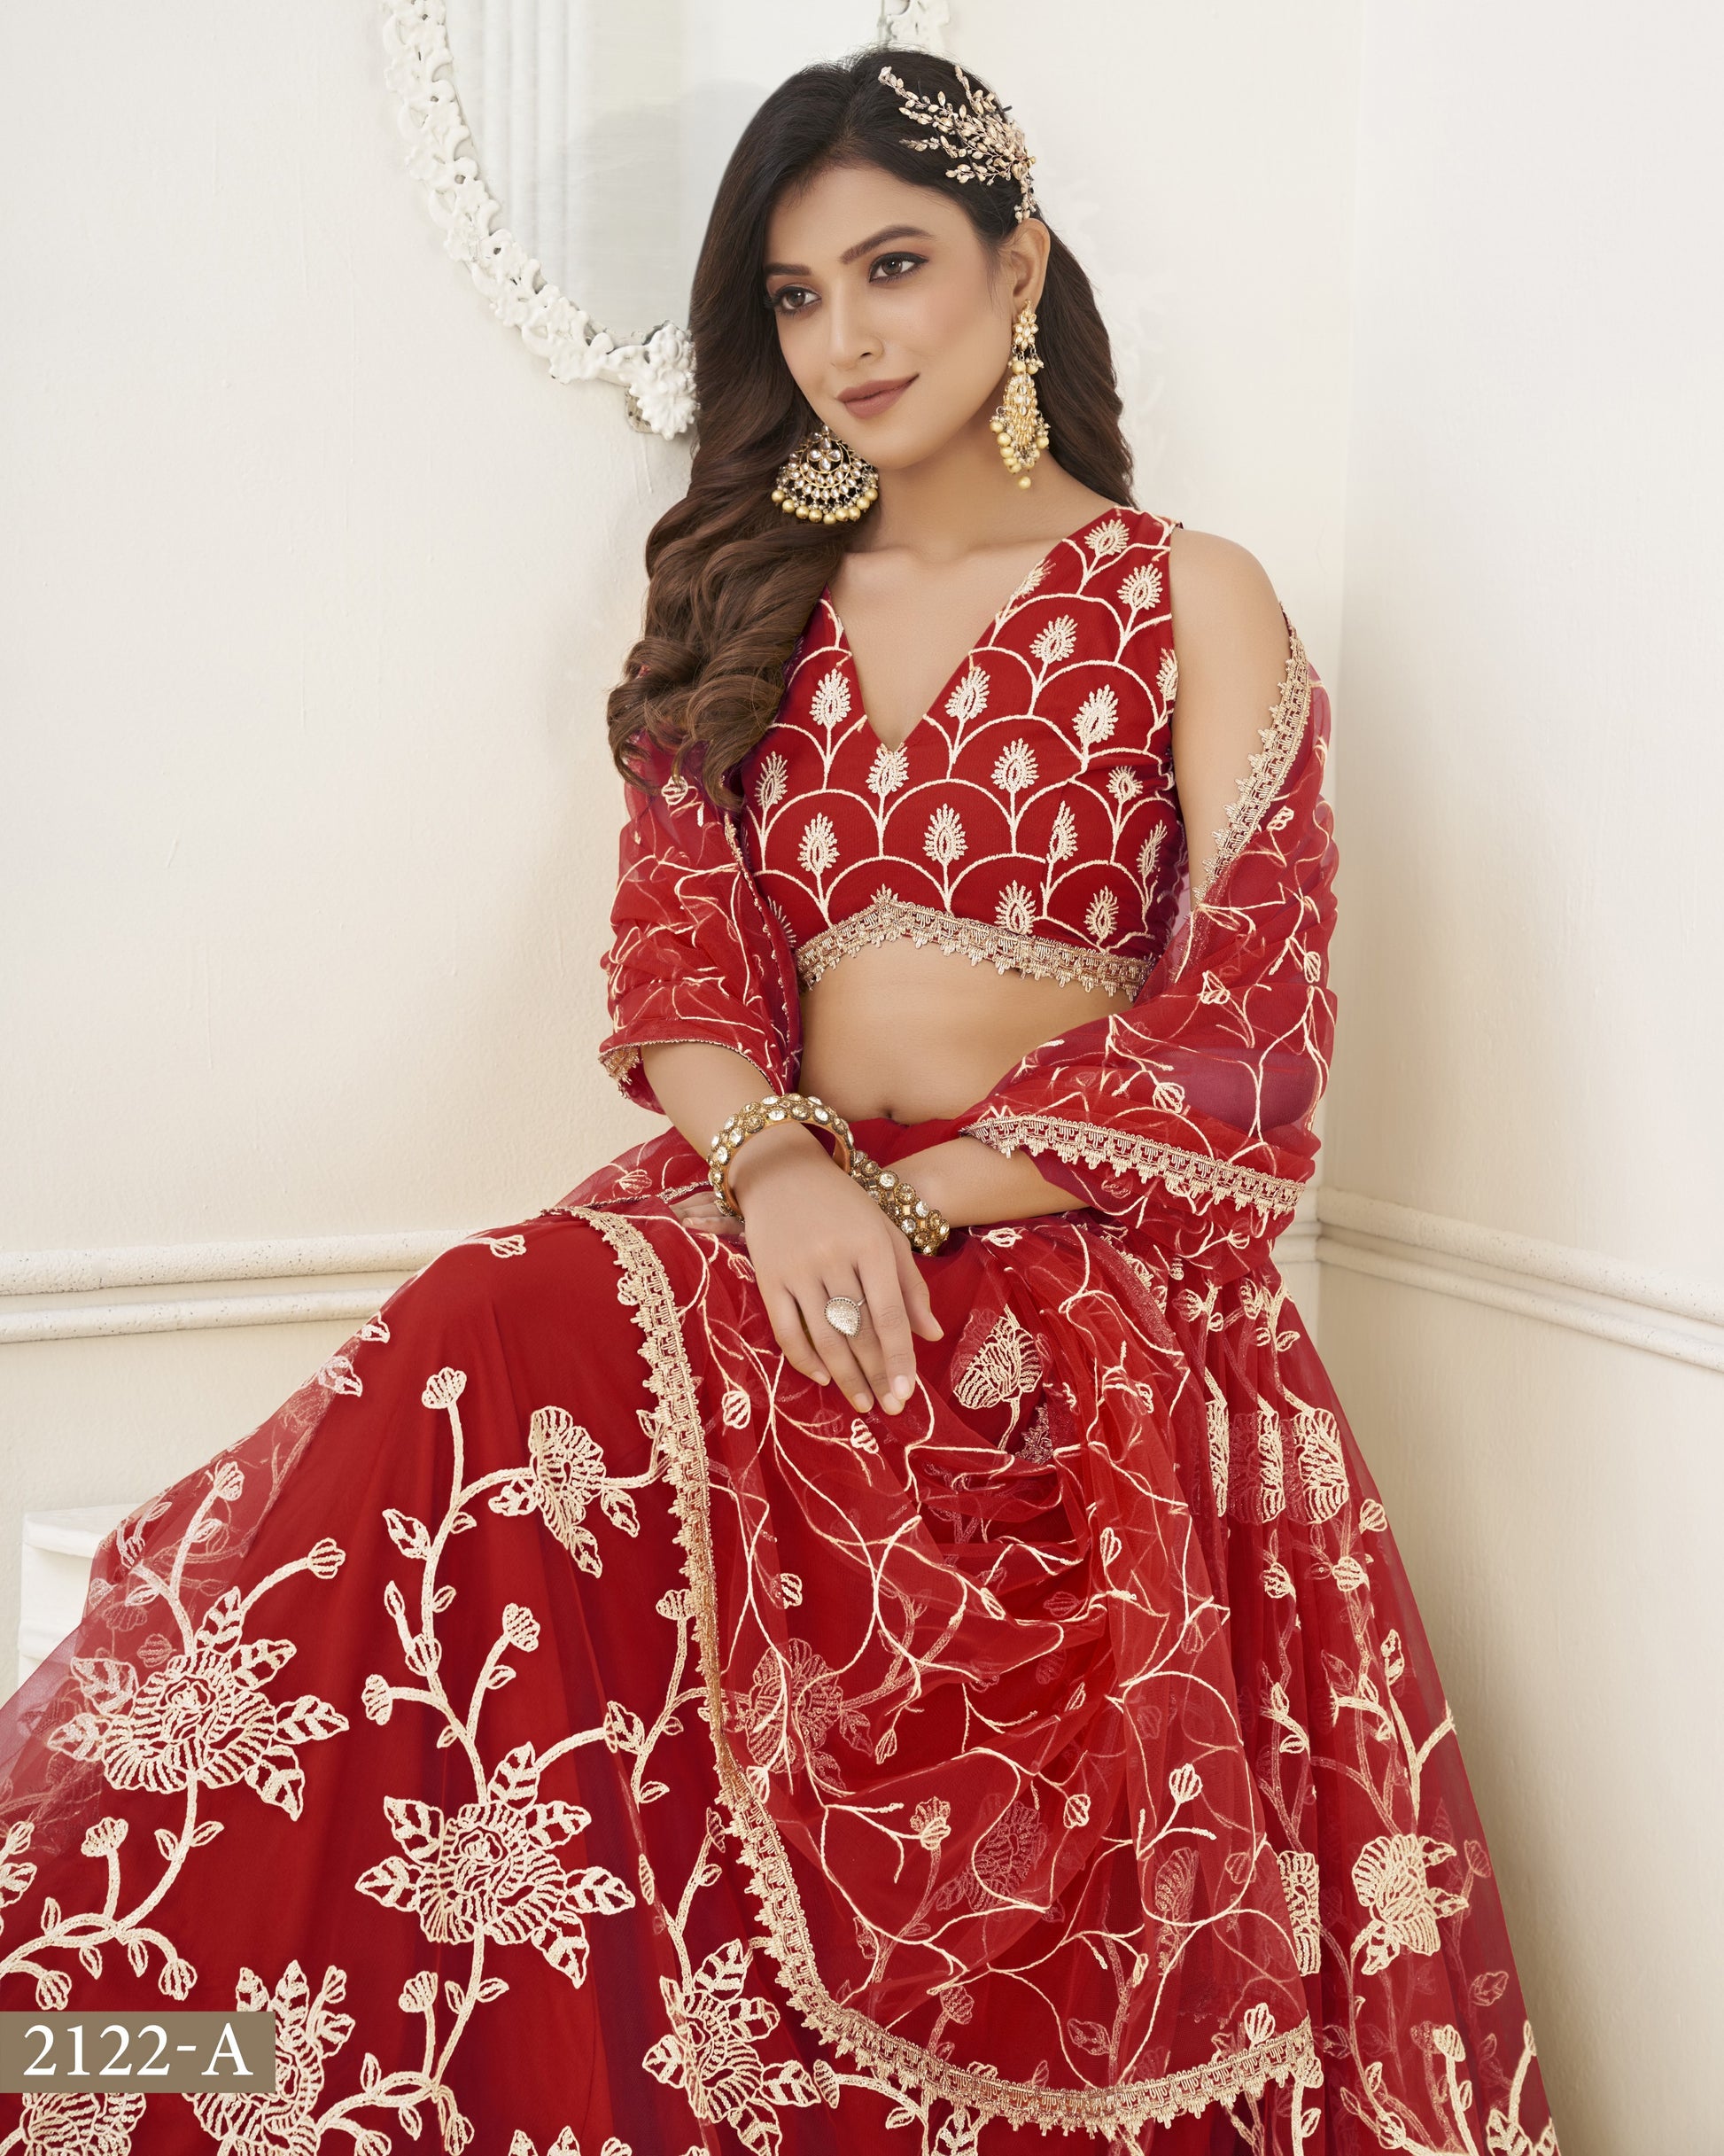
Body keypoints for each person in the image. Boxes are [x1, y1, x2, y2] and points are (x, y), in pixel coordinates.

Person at [0, 48, 1560, 2156]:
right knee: (482, 1337)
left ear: (1020, 272)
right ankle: (110, 2054)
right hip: (761, 1214)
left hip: (1075, 1280)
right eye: (798, 296)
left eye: (893, 266)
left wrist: (907, 1208)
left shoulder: (1188, 593)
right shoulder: (749, 606)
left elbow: (1247, 1032)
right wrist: (785, 1170)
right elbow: (678, 967)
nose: (845, 338)